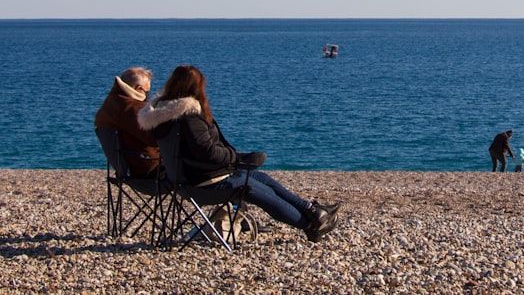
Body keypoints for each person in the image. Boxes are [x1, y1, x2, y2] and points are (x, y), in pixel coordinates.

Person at [137, 64, 340, 242]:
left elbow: (199, 152)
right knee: (257, 191)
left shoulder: (160, 115)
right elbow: (206, 152)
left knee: (261, 178)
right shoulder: (188, 117)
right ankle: (310, 225)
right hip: (202, 183)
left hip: (188, 177)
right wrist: (236, 158)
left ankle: (312, 210)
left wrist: (236, 160)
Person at [94, 66, 160, 177]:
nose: (147, 97)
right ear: (138, 88)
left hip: (127, 169)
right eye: (147, 92)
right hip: (148, 169)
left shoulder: (112, 102)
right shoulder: (132, 108)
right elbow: (154, 138)